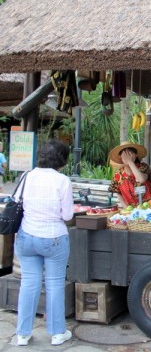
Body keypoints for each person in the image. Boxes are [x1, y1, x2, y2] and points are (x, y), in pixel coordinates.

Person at [15, 139, 74, 346]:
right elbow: (67, 215)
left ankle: (22, 334)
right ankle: (57, 333)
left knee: (29, 283)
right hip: (54, 238)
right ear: (62, 160)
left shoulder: (26, 176)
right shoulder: (62, 180)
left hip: (27, 237)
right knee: (55, 283)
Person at [108, 141, 151, 208]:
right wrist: (126, 209)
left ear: (136, 155)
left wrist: (130, 161)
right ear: (120, 156)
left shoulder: (143, 167)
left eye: (130, 153)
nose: (128, 156)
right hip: (132, 210)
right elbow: (118, 193)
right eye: (125, 154)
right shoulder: (118, 174)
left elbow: (141, 179)